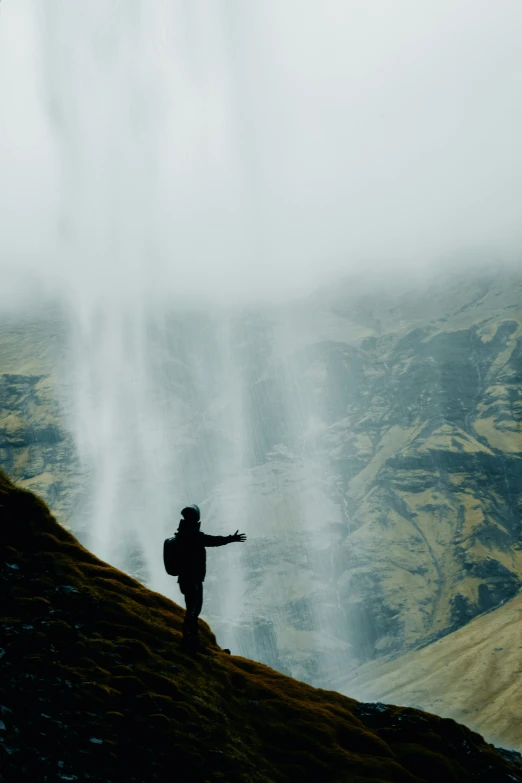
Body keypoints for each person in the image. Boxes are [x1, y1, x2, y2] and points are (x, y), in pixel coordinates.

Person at [174, 504, 246, 652]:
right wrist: (232, 538)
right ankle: (190, 643)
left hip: (184, 579)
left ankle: (188, 641)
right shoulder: (194, 536)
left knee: (191, 610)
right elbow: (215, 541)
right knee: (193, 611)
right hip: (193, 580)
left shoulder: (181, 535)